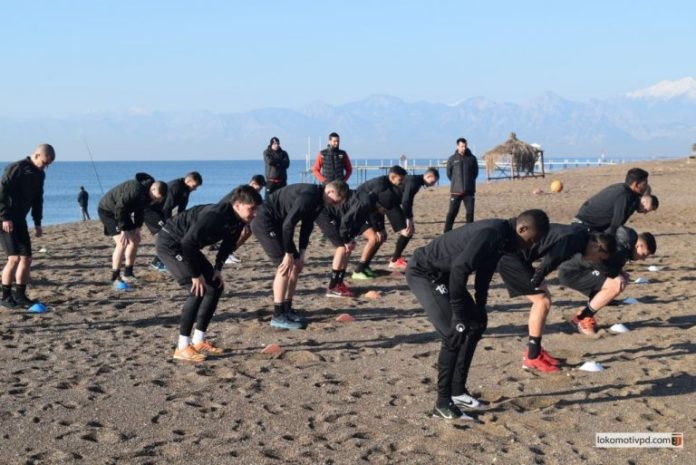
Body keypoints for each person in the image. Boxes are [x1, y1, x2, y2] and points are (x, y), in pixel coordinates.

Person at [406, 210, 549, 419]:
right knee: (454, 333)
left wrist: (480, 307)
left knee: (476, 325)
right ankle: (442, 403)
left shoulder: (506, 239)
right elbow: (460, 269)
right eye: (531, 240)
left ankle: (458, 391)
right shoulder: (493, 233)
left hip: (448, 275)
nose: (531, 246)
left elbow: (484, 272)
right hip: (425, 272)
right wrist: (458, 314)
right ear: (523, 229)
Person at [157, 185, 262, 362]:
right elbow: (187, 243)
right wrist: (195, 274)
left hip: (188, 247)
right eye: (251, 209)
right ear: (237, 204)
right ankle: (182, 347)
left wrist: (217, 268)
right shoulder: (215, 216)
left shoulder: (239, 219)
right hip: (171, 244)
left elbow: (229, 243)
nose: (254, 214)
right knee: (197, 289)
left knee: (215, 286)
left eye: (257, 210)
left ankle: (198, 341)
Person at [497, 223, 602, 373]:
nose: (595, 261)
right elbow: (548, 263)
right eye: (598, 258)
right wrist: (535, 281)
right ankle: (532, 357)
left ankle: (535, 350)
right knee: (542, 301)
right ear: (596, 246)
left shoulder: (581, 234)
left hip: (519, 255)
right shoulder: (575, 239)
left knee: (544, 297)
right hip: (510, 256)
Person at [250, 181, 349, 329]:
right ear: (330, 192)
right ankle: (278, 315)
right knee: (284, 267)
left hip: (279, 225)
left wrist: (301, 252)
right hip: (265, 222)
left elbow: (307, 225)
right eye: (335, 202)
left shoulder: (320, 200)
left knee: (296, 266)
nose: (334, 205)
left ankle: (287, 308)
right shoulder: (308, 196)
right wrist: (288, 253)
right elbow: (288, 225)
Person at [559, 228, 656, 335]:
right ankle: (584, 318)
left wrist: (619, 272)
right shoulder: (622, 247)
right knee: (616, 285)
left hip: (577, 267)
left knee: (616, 281)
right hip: (572, 270)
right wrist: (616, 275)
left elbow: (607, 262)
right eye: (643, 255)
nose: (643, 259)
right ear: (639, 246)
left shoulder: (625, 244)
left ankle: (584, 313)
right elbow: (596, 261)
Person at [0, 144, 55, 309]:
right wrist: (5, 217)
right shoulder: (17, 168)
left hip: (20, 220)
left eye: (48, 165)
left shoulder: (40, 174)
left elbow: (38, 199)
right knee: (14, 258)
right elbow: (1, 192)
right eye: (45, 162)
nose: (45, 167)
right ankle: (5, 296)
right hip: (4, 218)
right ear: (37, 155)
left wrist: (37, 222)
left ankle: (20, 296)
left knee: (27, 258)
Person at [98, 174, 167, 288]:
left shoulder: (148, 195)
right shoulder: (135, 189)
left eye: (158, 200)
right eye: (156, 198)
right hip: (108, 211)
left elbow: (140, 210)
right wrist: (123, 229)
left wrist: (137, 227)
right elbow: (120, 207)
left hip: (123, 214)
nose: (155, 200)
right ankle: (115, 277)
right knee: (122, 242)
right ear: (153, 188)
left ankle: (128, 274)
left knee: (135, 239)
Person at [315, 189, 383, 297]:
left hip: (340, 218)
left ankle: (339, 283)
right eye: (383, 210)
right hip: (327, 215)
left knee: (348, 249)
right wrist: (346, 240)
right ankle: (332, 288)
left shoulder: (368, 204)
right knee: (342, 248)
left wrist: (351, 239)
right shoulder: (365, 203)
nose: (383, 212)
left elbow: (356, 220)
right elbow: (346, 220)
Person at [351, 166, 407, 280]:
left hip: (372, 211)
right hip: (359, 210)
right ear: (392, 177)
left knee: (382, 236)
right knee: (374, 238)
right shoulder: (380, 185)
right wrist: (376, 228)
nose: (402, 183)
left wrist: (380, 227)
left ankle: (366, 266)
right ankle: (358, 270)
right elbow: (369, 204)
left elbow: (380, 208)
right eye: (400, 180)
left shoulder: (390, 186)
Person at [573, 168, 657, 235]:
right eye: (644, 184)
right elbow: (615, 226)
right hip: (584, 227)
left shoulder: (621, 188)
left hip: (583, 222)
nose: (646, 187)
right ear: (635, 185)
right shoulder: (626, 196)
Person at [148, 172, 203, 271]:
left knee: (173, 235)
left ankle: (159, 261)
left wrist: (181, 222)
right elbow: (167, 208)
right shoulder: (175, 186)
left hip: (161, 212)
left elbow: (182, 208)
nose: (195, 189)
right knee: (166, 235)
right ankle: (156, 263)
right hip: (152, 212)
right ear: (188, 181)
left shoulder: (186, 189)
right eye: (194, 186)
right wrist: (170, 224)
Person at [387, 167, 440, 271]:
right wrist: (409, 219)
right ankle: (394, 261)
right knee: (408, 231)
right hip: (390, 203)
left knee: (409, 231)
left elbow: (408, 200)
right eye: (433, 181)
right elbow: (406, 201)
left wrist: (409, 218)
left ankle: (395, 258)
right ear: (428, 176)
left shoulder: (416, 180)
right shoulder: (414, 182)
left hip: (394, 203)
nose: (433, 184)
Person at [444, 138, 478, 232]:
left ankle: (469, 232)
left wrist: (469, 182)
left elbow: (475, 173)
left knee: (470, 213)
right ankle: (446, 232)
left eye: (465, 146)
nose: (464, 148)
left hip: (469, 191)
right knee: (451, 213)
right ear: (457, 146)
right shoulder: (452, 159)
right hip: (456, 191)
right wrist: (455, 182)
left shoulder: (472, 158)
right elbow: (449, 174)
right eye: (462, 146)